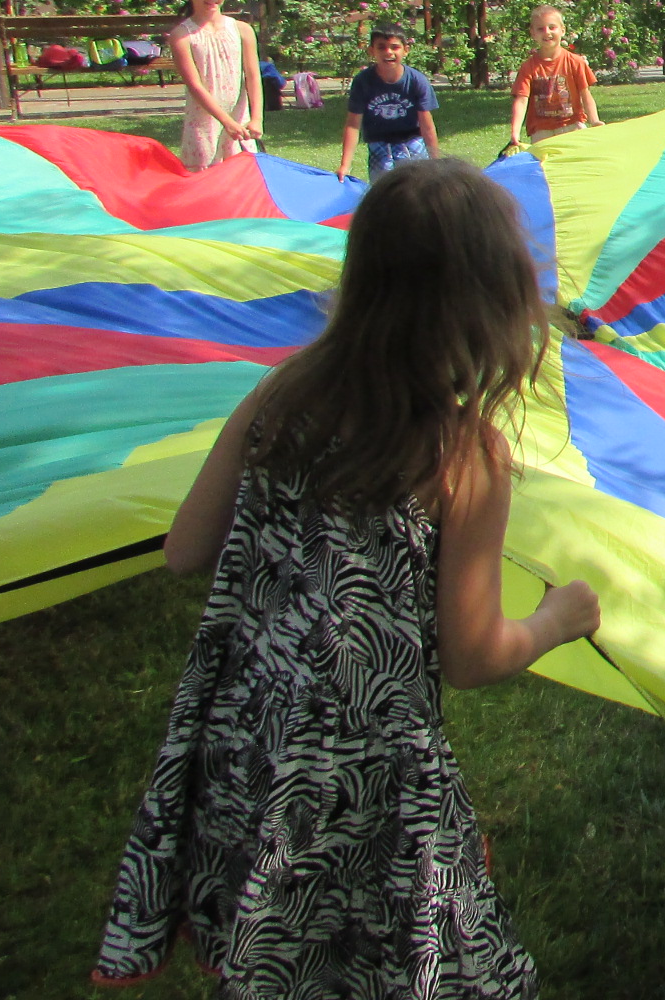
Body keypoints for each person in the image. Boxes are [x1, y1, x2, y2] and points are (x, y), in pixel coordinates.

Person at [92, 158, 602, 997]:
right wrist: (557, 618)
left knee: (275, 952)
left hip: (251, 745)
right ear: (491, 304)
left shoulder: (281, 396)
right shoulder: (462, 456)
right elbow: (472, 657)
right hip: (368, 782)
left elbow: (184, 549)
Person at [170, 0, 263, 171]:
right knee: (205, 178)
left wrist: (257, 118)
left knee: (241, 176)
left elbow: (253, 76)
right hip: (204, 123)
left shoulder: (242, 30)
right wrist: (225, 122)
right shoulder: (182, 35)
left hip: (240, 119)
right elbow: (195, 85)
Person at [336, 22, 441, 181]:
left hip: (411, 139)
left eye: (395, 47)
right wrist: (345, 165)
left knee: (418, 182)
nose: (388, 52)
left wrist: (436, 161)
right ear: (371, 51)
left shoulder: (416, 81)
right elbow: (353, 125)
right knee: (382, 184)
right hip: (379, 141)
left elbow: (426, 125)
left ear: (406, 50)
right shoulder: (363, 81)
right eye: (381, 47)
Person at [507, 4, 601, 151]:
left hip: (572, 126)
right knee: (546, 164)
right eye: (540, 29)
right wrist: (515, 132)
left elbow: (585, 94)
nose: (547, 32)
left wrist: (594, 121)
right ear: (533, 33)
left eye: (552, 27)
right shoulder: (528, 67)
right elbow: (521, 100)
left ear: (562, 30)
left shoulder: (575, 62)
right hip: (541, 131)